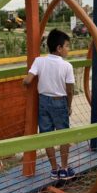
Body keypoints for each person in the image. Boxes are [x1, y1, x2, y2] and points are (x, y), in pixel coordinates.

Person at [23, 29, 75, 180]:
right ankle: (64, 168)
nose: (68, 49)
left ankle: (54, 169)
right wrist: (69, 106)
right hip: (60, 102)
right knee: (63, 135)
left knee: (47, 135)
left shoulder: (39, 61)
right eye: (67, 46)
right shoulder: (67, 66)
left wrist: (24, 83)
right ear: (59, 48)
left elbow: (27, 80)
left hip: (43, 101)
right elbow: (70, 90)